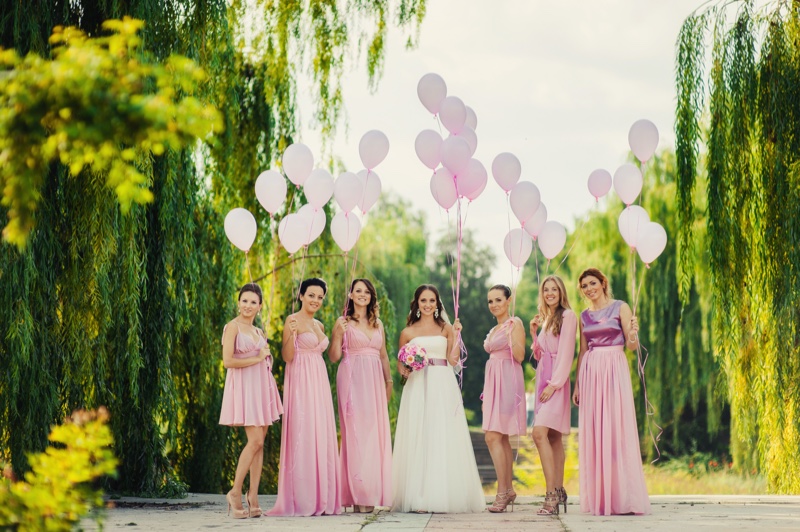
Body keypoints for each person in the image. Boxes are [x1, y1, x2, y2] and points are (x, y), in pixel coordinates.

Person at [392, 284, 485, 513]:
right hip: (417, 384)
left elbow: (453, 361)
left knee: (440, 433)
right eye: (423, 300)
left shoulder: (446, 328)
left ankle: (442, 493)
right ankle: (418, 496)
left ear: (437, 303)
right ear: (416, 303)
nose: (427, 305)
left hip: (442, 382)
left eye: (431, 300)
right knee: (419, 432)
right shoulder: (408, 332)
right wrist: (403, 369)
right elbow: (400, 362)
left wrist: (458, 333)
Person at [573, 268, 651, 516]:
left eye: (592, 283)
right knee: (596, 432)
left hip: (614, 368)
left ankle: (623, 497)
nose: (589, 288)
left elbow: (631, 345)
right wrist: (577, 384)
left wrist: (634, 334)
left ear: (603, 283)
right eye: (584, 285)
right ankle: (600, 498)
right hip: (591, 371)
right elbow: (583, 350)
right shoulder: (583, 316)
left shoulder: (621, 307)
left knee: (616, 429)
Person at [267, 278, 342, 516]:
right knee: (303, 431)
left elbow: (330, 356)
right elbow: (287, 357)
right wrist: (289, 336)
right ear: (301, 295)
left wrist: (338, 333)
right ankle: (302, 498)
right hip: (300, 380)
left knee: (320, 432)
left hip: (318, 381)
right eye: (311, 295)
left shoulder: (319, 324)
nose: (316, 300)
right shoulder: (292, 320)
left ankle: (323, 497)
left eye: (320, 297)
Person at [219, 282, 283, 519]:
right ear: (238, 302)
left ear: (260, 306)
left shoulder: (258, 332)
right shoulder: (232, 327)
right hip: (244, 387)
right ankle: (235, 492)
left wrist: (266, 359)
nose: (248, 305)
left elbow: (263, 359)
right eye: (244, 300)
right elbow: (228, 362)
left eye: (253, 302)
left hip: (262, 387)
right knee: (254, 440)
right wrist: (257, 358)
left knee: (260, 443)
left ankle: (253, 495)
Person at [329, 278, 393, 513]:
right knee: (354, 434)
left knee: (372, 435)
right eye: (358, 291)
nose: (362, 295)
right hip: (352, 377)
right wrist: (337, 334)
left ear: (371, 296)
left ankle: (369, 493)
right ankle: (356, 495)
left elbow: (384, 355)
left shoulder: (378, 324)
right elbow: (334, 357)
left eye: (366, 291)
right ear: (351, 294)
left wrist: (389, 381)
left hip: (375, 380)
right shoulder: (343, 322)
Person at [529, 275, 577, 515]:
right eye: (546, 289)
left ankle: (550, 496)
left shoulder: (568, 316)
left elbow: (567, 352)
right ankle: (559, 490)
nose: (550, 293)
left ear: (561, 292)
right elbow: (539, 356)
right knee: (554, 438)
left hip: (555, 381)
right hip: (543, 379)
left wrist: (555, 384)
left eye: (554, 289)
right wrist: (533, 332)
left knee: (539, 433)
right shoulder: (547, 319)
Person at [481, 284, 526, 513]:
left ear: (508, 301)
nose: (494, 305)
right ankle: (508, 489)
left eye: (498, 300)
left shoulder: (514, 323)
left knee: (492, 436)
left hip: (508, 379)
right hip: (493, 382)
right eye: (490, 301)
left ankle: (502, 490)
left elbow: (519, 356)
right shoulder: (494, 328)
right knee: (502, 437)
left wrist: (511, 337)